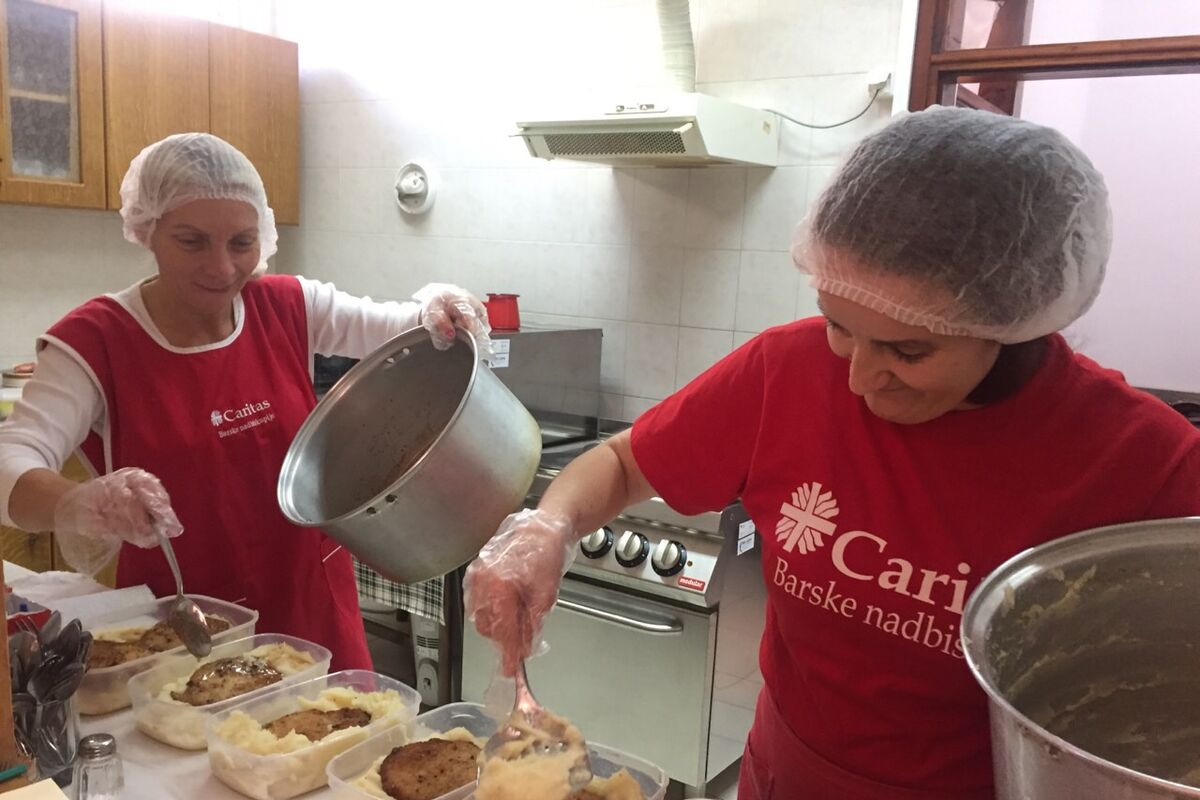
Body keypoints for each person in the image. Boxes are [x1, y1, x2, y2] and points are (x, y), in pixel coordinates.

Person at [463, 107, 1200, 799]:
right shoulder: (784, 370)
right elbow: (625, 464)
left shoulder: (1145, 465)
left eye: (908, 350)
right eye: (838, 325)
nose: (858, 378)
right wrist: (550, 525)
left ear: (1014, 321)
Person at [0, 133, 492, 671]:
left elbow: (408, 327)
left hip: (314, 616)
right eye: (192, 242)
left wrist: (442, 310)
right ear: (147, 230)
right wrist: (77, 502)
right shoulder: (96, 340)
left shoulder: (288, 306)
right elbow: (10, 460)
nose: (222, 268)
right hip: (185, 635)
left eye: (241, 242)